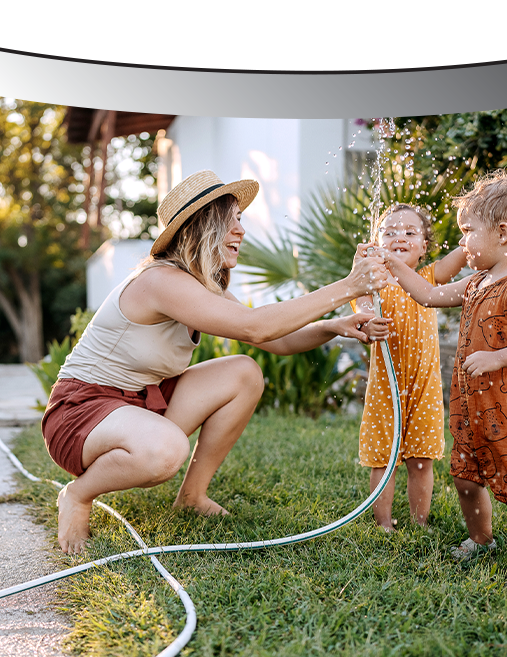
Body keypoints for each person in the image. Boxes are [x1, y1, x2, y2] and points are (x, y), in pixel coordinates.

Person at [41, 169, 388, 554]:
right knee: (166, 450)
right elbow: (256, 327)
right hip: (81, 412)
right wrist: (348, 286)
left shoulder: (202, 286)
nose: (241, 231)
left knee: (243, 373)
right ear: (202, 225)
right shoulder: (160, 281)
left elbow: (279, 340)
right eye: (232, 220)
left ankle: (192, 497)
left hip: (138, 402)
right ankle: (77, 494)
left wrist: (335, 326)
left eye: (241, 221)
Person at [372, 170, 507, 582]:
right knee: (465, 475)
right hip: (472, 407)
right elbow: (428, 294)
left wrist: (497, 358)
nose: (462, 243)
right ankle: (482, 539)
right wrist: (390, 262)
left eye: (468, 232)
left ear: (504, 232)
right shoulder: (475, 282)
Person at [351, 204, 466, 531]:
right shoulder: (372, 282)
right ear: (377, 241)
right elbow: (359, 310)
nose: (399, 237)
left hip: (424, 386)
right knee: (383, 460)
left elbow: (461, 254)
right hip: (385, 387)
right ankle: (384, 522)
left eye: (410, 232)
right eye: (389, 232)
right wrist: (368, 321)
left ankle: (420, 522)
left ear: (425, 245)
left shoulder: (429, 276)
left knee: (421, 459)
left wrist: (474, 232)